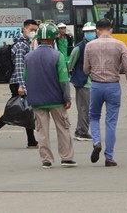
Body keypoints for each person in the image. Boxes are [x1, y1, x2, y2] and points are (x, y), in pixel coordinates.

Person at [0, 19, 40, 149]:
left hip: (19, 81)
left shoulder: (24, 43)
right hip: (17, 82)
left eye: (35, 30)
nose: (34, 32)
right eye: (32, 29)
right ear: (24, 29)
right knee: (15, 110)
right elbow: (19, 66)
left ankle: (31, 140)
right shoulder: (21, 45)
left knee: (25, 109)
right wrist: (22, 85)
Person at [24, 22, 76, 169]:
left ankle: (46, 159)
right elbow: (64, 80)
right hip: (56, 100)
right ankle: (66, 157)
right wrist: (67, 98)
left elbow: (26, 78)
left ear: (38, 38)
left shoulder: (29, 57)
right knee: (63, 128)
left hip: (37, 101)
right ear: (54, 39)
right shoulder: (57, 56)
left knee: (42, 131)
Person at [84, 18, 127, 167]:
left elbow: (86, 69)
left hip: (96, 85)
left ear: (97, 31)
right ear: (111, 29)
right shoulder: (120, 45)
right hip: (113, 86)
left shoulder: (90, 46)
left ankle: (97, 141)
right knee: (111, 122)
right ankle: (109, 157)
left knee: (93, 116)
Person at [67, 21, 95, 141]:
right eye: (87, 32)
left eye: (92, 31)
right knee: (84, 108)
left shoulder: (97, 45)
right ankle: (81, 132)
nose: (90, 33)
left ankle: (82, 130)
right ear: (84, 33)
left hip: (95, 83)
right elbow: (70, 65)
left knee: (89, 109)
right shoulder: (79, 47)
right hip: (84, 83)